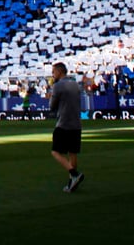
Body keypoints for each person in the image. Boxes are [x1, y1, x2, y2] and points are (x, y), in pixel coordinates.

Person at [48, 62, 84, 193]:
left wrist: (51, 95)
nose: (53, 74)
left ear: (59, 71)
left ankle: (74, 174)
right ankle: (72, 183)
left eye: (54, 72)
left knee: (55, 151)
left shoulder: (58, 86)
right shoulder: (75, 84)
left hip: (63, 123)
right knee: (72, 152)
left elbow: (52, 106)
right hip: (76, 123)